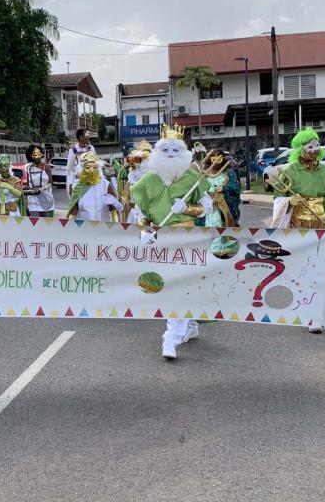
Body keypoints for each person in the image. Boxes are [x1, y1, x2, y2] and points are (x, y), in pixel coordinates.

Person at [130, 125, 213, 359]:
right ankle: (188, 328)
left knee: (181, 285)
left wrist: (187, 207)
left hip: (186, 238)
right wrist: (145, 230)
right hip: (161, 239)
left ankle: (171, 338)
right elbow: (141, 210)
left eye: (175, 150)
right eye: (165, 149)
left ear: (184, 153)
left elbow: (208, 207)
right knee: (171, 285)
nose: (170, 154)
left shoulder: (192, 178)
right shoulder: (149, 180)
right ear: (157, 152)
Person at [270, 127, 325, 333]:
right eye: (310, 146)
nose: (314, 149)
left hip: (320, 223)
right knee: (303, 268)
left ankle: (316, 314)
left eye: (317, 145)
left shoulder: (324, 170)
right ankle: (307, 310)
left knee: (321, 267)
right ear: (299, 148)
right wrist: (289, 200)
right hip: (298, 224)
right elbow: (277, 198)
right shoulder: (288, 171)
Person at [67, 151, 123, 221]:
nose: (91, 170)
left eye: (94, 167)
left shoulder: (105, 185)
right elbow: (73, 213)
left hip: (103, 227)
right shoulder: (78, 187)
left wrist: (116, 227)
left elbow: (113, 210)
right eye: (88, 167)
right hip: (84, 228)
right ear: (82, 169)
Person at [195, 148, 242, 228]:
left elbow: (235, 187)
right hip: (208, 206)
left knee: (221, 228)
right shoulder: (205, 172)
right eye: (214, 159)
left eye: (219, 159)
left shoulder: (228, 172)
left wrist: (224, 188)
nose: (216, 162)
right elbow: (198, 188)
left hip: (222, 206)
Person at [24, 144, 54, 217]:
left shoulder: (46, 167)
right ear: (31, 156)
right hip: (33, 199)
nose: (37, 157)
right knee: (34, 221)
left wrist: (43, 189)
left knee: (46, 222)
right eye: (35, 154)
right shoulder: (29, 168)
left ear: (42, 154)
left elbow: (50, 183)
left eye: (39, 154)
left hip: (46, 198)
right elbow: (28, 184)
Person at [66, 129, 96, 197]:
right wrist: (70, 186)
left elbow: (96, 164)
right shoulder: (73, 150)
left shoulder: (91, 148)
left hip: (90, 181)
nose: (88, 137)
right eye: (86, 135)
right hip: (78, 182)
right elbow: (70, 170)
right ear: (81, 137)